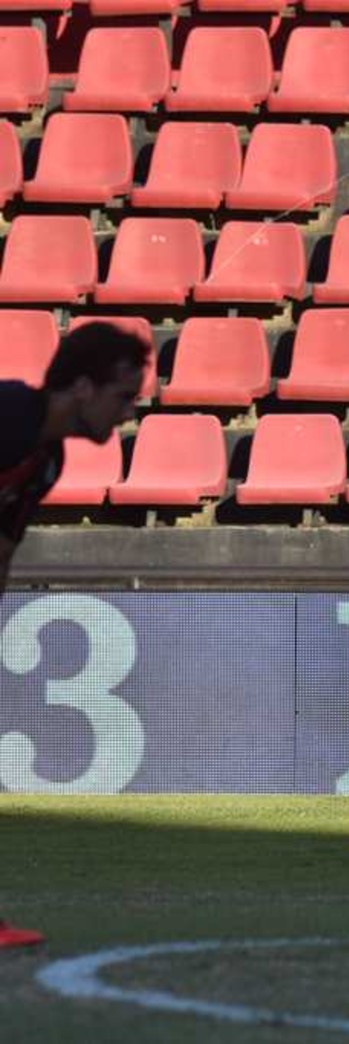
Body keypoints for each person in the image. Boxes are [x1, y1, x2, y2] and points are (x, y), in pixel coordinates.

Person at [0, 321, 148, 950]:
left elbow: (2, 549)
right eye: (123, 396)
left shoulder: (46, 460)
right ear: (83, 386)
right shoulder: (6, 414)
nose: (129, 411)